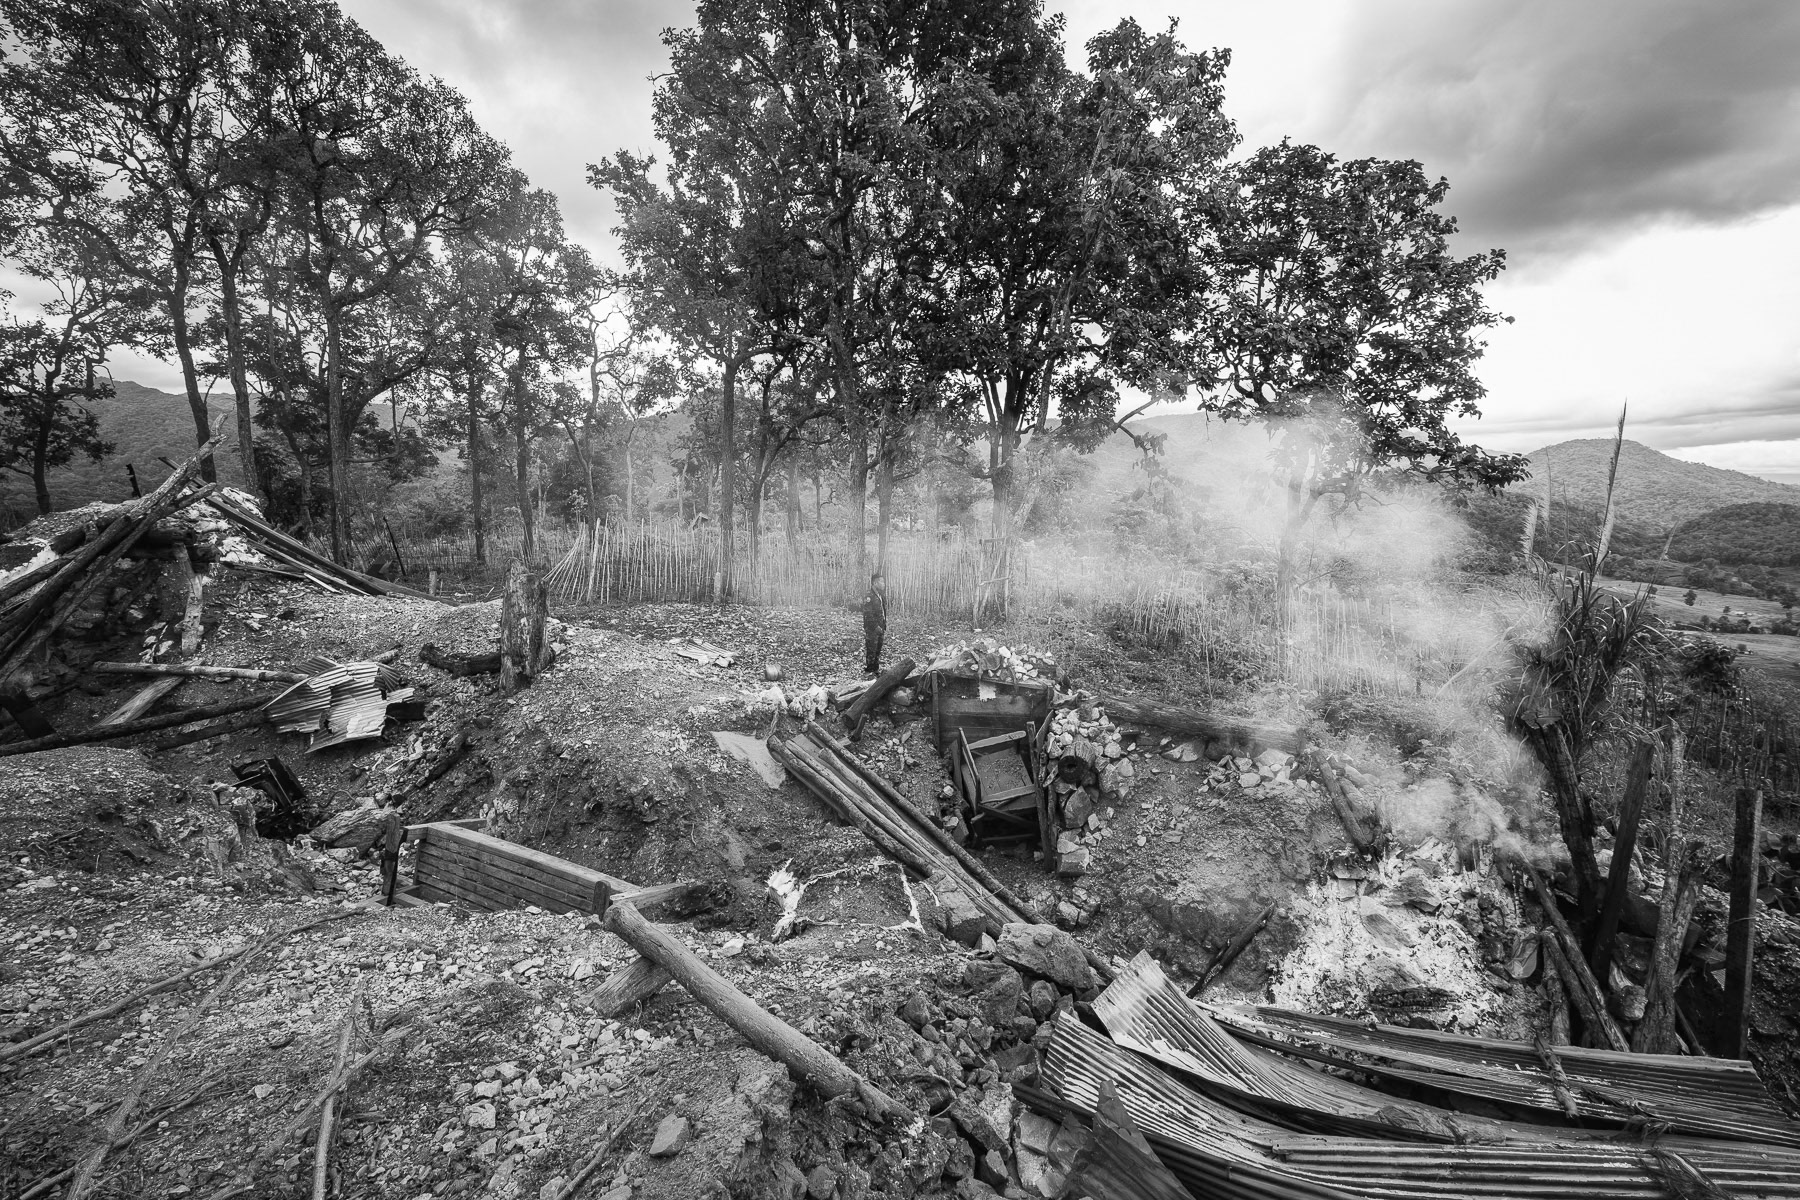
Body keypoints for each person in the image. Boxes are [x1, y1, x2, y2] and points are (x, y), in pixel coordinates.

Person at [861, 569, 887, 676]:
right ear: (875, 583)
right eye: (881, 582)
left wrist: (883, 626)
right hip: (872, 629)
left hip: (880, 628)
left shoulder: (881, 595)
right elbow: (868, 614)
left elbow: (883, 612)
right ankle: (869, 672)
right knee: (871, 650)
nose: (883, 584)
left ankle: (876, 671)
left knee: (877, 651)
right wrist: (876, 626)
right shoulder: (869, 596)